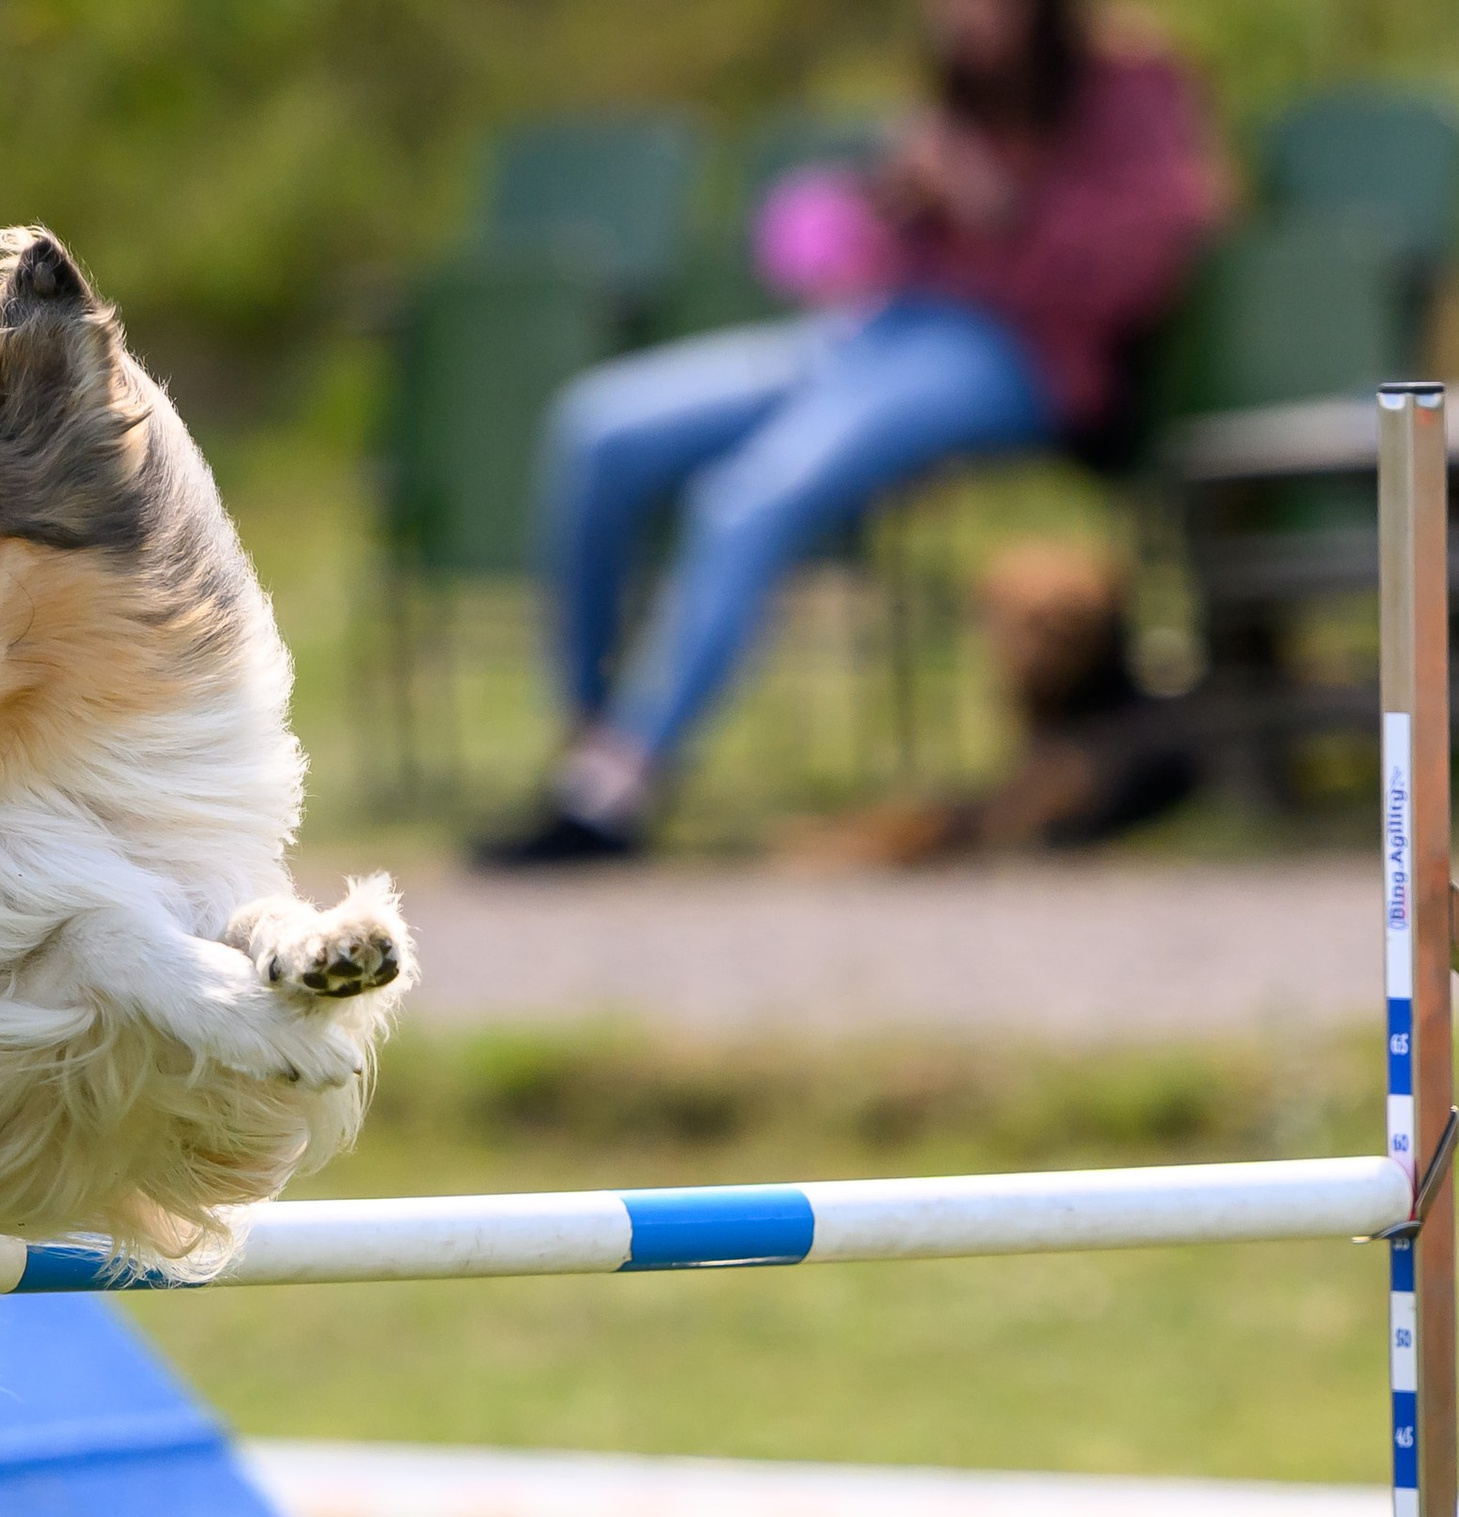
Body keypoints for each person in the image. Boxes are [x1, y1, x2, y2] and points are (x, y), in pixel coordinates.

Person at [476, 0, 1228, 867]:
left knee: (750, 496)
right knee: (599, 427)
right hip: (880, 328)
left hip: (1016, 350)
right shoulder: (960, 87)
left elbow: (1148, 257)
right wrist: (879, 210)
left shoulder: (1129, 81)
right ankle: (587, 751)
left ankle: (615, 793)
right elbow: (829, 252)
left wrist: (997, 206)